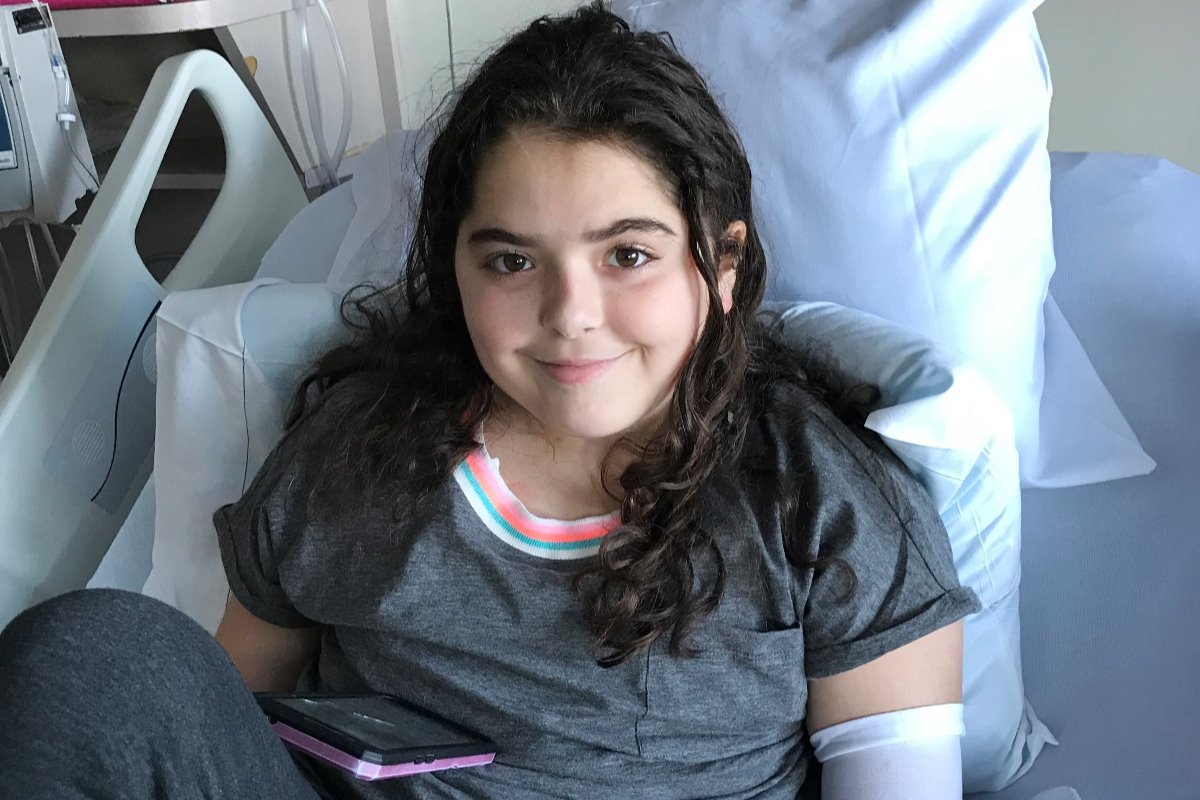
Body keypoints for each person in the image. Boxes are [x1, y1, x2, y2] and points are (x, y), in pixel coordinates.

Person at [0, 3, 981, 798]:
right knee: (91, 654)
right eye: (512, 260)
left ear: (721, 266)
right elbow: (217, 716)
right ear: (456, 273)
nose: (570, 314)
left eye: (627, 254)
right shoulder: (358, 453)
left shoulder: (818, 503)